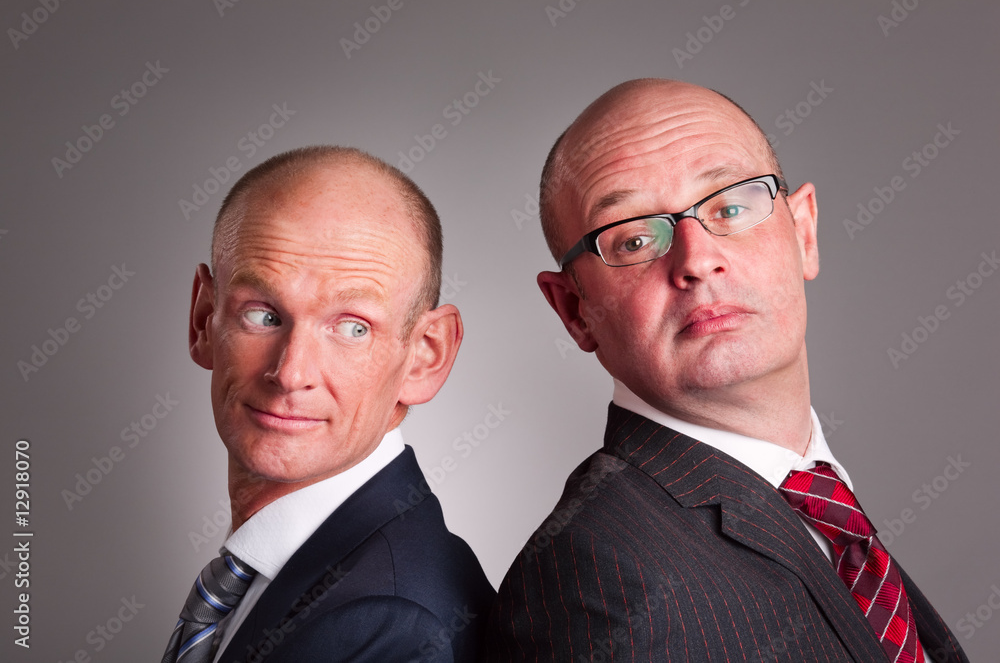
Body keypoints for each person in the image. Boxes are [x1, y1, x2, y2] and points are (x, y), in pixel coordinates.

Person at [483, 79, 968, 662]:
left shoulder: (824, 501)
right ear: (574, 309)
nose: (697, 259)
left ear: (804, 233)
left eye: (731, 207)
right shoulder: (598, 578)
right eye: (634, 239)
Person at [162, 146, 495, 663]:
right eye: (263, 315)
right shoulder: (307, 576)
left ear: (425, 356)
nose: (290, 375)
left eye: (353, 327)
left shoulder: (396, 626)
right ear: (204, 319)